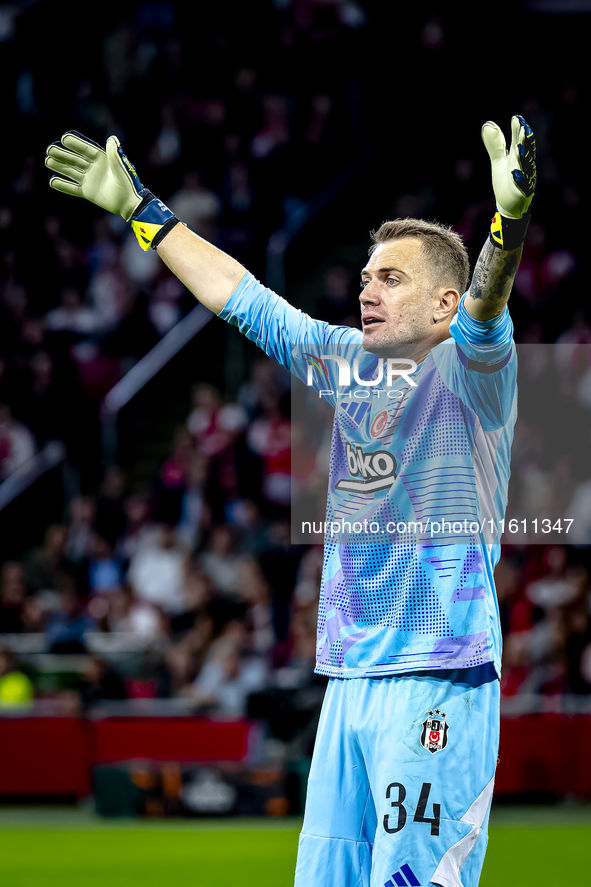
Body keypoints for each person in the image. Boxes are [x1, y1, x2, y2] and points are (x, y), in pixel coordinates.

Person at [45, 115, 535, 886]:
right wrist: (145, 210)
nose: (366, 290)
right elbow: (241, 298)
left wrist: (505, 227)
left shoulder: (474, 376)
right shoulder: (344, 364)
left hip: (436, 675)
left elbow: (484, 305)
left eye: (391, 278)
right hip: (348, 678)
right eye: (367, 275)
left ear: (442, 304)